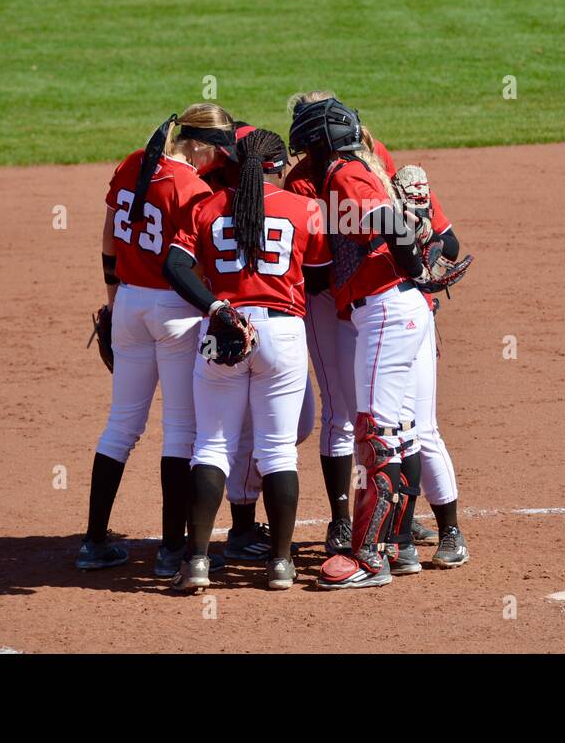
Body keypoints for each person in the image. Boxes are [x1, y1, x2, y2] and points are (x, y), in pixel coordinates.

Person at [163, 129, 332, 590]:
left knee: (211, 447)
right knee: (278, 450)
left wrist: (216, 306)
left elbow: (174, 266)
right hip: (282, 332)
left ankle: (197, 562)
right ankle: (280, 564)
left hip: (223, 330)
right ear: (277, 166)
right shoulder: (304, 209)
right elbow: (319, 276)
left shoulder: (207, 207)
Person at [75, 103, 235, 578]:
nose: (220, 162)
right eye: (218, 153)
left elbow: (108, 240)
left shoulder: (134, 163)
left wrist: (112, 305)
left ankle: (93, 543)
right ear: (199, 145)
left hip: (128, 302)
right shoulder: (193, 188)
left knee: (121, 425)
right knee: (182, 429)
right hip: (174, 312)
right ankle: (171, 552)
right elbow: (191, 264)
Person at [289, 97, 429, 589]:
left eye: (307, 144)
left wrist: (413, 268)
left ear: (321, 142)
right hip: (394, 307)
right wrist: (414, 271)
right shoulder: (357, 168)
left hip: (384, 308)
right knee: (398, 430)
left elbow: (390, 223)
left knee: (376, 432)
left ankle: (369, 557)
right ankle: (397, 546)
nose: (303, 154)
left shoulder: (344, 175)